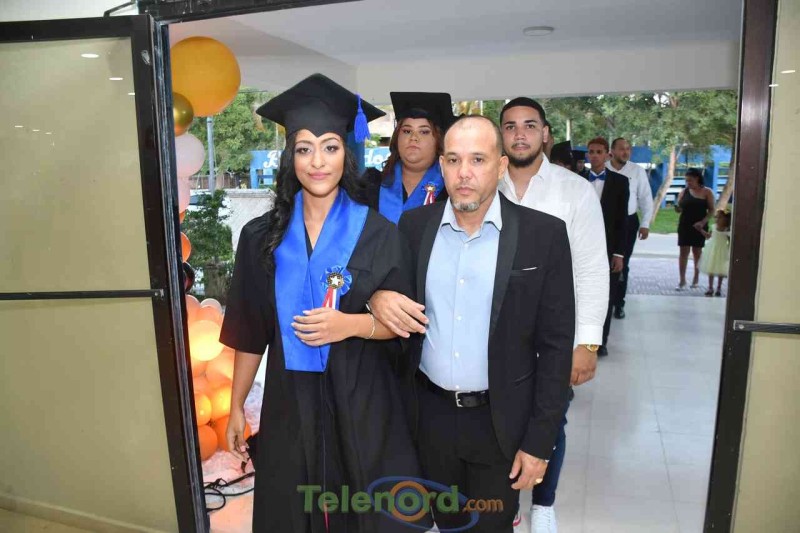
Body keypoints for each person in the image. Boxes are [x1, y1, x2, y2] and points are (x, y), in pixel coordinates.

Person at [219, 73, 430, 533]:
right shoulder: (261, 238)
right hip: (289, 399)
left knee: (363, 511)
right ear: (289, 157)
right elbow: (251, 332)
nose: (317, 161)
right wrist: (236, 406)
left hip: (362, 396)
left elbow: (406, 327)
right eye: (304, 148)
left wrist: (350, 324)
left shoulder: (379, 234)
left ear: (346, 155)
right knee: (292, 509)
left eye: (330, 147)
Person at [369, 115, 576, 532]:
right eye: (453, 159)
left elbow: (556, 349)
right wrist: (376, 297)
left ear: (501, 166)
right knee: (447, 522)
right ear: (441, 166)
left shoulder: (543, 235)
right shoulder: (414, 228)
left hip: (499, 423)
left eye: (478, 159)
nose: (464, 172)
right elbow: (384, 290)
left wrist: (540, 442)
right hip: (429, 418)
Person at [496, 97, 608, 533]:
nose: (519, 134)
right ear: (501, 135)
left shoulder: (574, 191)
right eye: (510, 126)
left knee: (550, 419)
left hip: (555, 335)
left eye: (529, 125)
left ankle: (543, 503)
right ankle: (507, 502)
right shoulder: (485, 185)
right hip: (499, 333)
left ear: (545, 134)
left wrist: (588, 342)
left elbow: (593, 269)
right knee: (500, 420)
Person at [364, 91, 454, 223]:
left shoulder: (451, 190)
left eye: (424, 132)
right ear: (397, 138)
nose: (413, 137)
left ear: (439, 141)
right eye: (407, 131)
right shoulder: (371, 186)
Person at [585, 137, 629, 356]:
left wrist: (619, 253)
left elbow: (622, 220)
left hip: (608, 248)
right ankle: (581, 340)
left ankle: (600, 342)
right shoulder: (577, 179)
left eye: (599, 152)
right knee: (582, 295)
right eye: (591, 152)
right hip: (581, 247)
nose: (594, 156)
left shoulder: (620, 182)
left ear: (607, 155)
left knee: (606, 295)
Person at [606, 137, 655, 319]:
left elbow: (645, 198)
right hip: (605, 222)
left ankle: (619, 303)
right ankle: (604, 302)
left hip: (628, 222)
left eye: (628, 149)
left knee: (621, 264)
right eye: (621, 149)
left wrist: (645, 224)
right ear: (612, 151)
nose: (625, 152)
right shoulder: (604, 169)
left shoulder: (637, 171)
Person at [674, 167, 715, 290]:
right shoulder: (684, 192)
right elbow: (680, 208)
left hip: (699, 226)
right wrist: (677, 208)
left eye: (690, 180)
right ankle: (682, 280)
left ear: (697, 179)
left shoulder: (707, 192)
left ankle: (696, 278)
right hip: (685, 225)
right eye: (686, 180)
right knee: (683, 252)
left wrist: (703, 222)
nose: (688, 183)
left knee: (697, 252)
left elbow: (712, 210)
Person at [699, 207, 732, 296]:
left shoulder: (727, 229)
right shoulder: (714, 227)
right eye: (716, 217)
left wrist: (729, 250)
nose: (717, 219)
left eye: (719, 217)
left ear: (726, 219)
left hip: (722, 250)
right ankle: (710, 287)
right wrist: (701, 230)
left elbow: (730, 241)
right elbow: (708, 236)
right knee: (711, 268)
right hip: (712, 250)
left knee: (721, 270)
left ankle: (719, 288)